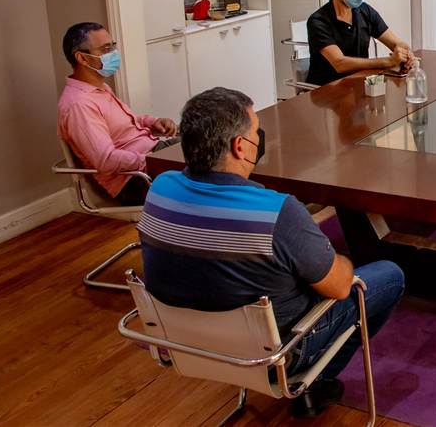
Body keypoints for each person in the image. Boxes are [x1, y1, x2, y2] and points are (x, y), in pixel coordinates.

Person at [138, 87, 404, 418]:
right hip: (274, 353)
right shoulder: (276, 212)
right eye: (256, 132)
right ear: (239, 146)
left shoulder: (159, 189)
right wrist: (344, 262)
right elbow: (338, 287)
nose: (260, 139)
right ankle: (314, 381)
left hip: (186, 345)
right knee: (388, 276)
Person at [57, 22, 178, 205]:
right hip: (134, 179)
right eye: (106, 49)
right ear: (82, 58)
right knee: (214, 163)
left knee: (216, 141)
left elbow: (122, 124)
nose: (114, 53)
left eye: (113, 46)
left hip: (151, 156)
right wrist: (151, 159)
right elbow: (106, 160)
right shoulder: (78, 105)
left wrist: (153, 123)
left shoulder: (99, 88)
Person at [306, 0, 414, 86]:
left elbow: (396, 43)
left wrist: (405, 52)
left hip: (359, 84)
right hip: (326, 91)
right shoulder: (318, 21)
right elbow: (340, 63)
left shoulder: (365, 11)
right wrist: (387, 61)